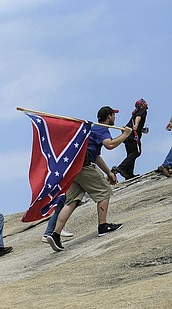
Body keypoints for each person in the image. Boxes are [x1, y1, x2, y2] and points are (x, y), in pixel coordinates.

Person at [46, 106, 132, 251]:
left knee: (72, 201)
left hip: (74, 168)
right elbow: (109, 145)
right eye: (113, 115)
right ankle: (103, 226)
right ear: (109, 116)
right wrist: (125, 135)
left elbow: (96, 155)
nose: (114, 118)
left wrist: (109, 172)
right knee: (104, 192)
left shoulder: (91, 129)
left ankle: (55, 234)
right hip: (85, 166)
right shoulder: (101, 129)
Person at [114, 99, 149, 180]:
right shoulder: (142, 110)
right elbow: (138, 117)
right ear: (142, 104)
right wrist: (136, 125)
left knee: (131, 153)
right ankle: (122, 167)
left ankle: (129, 173)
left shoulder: (136, 112)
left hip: (127, 135)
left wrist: (142, 129)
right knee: (137, 152)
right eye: (145, 103)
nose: (147, 104)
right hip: (133, 135)